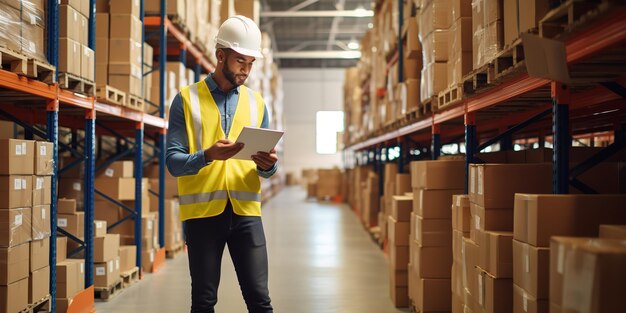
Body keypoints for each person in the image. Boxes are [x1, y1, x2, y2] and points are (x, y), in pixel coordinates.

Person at [166, 15, 277, 313]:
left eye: (251, 63)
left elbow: (267, 169)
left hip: (246, 215)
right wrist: (206, 156)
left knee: (260, 300)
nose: (246, 69)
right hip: (203, 215)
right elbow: (173, 162)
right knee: (203, 301)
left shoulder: (257, 104)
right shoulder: (186, 100)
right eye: (241, 60)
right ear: (220, 55)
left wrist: (268, 165)